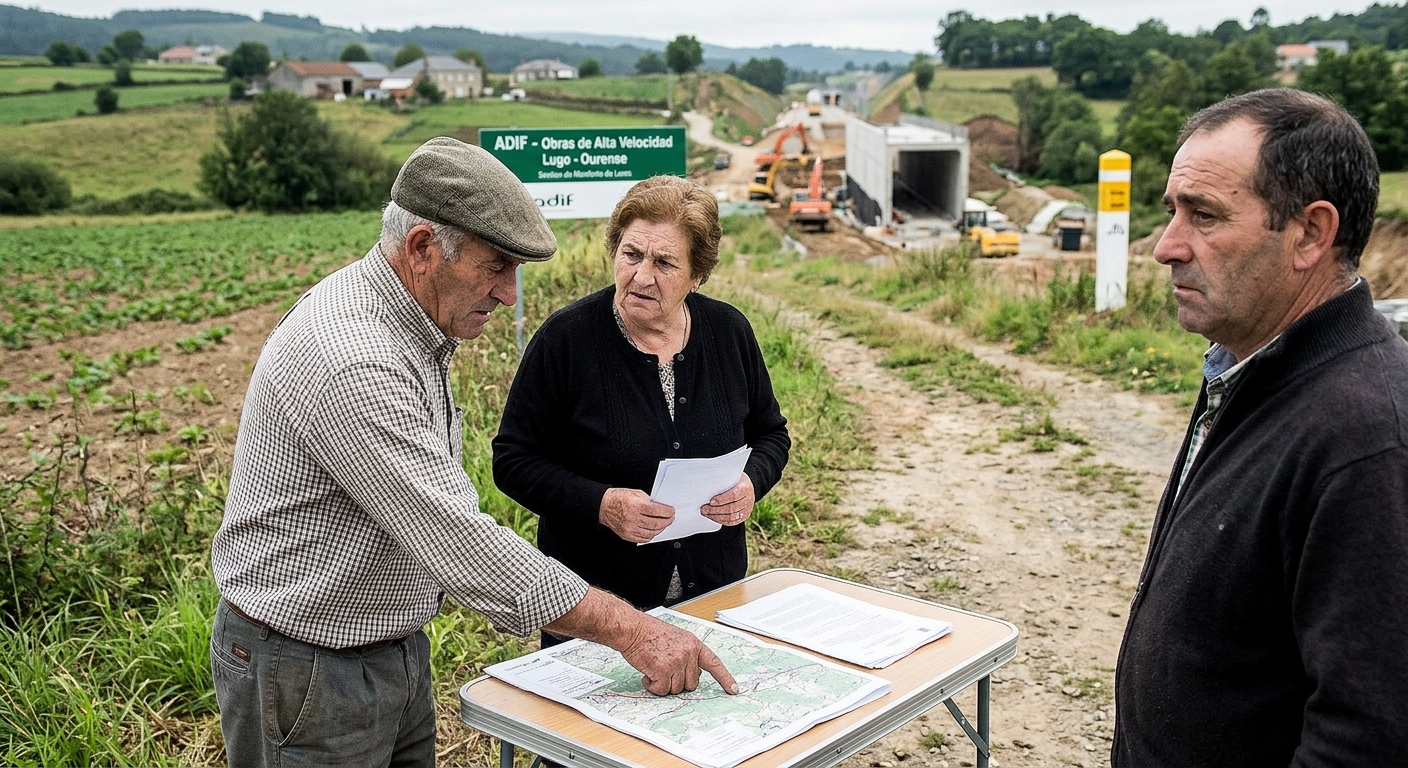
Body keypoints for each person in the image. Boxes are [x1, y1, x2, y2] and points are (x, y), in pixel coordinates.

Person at [209, 138, 737, 768]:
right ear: (423, 248)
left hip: (386, 644)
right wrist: (637, 631)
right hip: (307, 668)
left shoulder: (407, 324)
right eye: (495, 268)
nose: (510, 294)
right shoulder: (355, 359)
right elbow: (462, 543)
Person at [1113, 88, 1408, 765]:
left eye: (1205, 216)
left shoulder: (1368, 439)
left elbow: (1370, 737)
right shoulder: (1251, 368)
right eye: (1172, 212)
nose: (1166, 247)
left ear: (1310, 233)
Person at [492, 175, 791, 646]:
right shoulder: (565, 341)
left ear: (698, 275)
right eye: (631, 254)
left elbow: (771, 435)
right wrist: (602, 505)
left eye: (665, 262)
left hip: (712, 600)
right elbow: (513, 461)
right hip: (598, 615)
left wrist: (751, 483)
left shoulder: (728, 332)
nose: (642, 275)